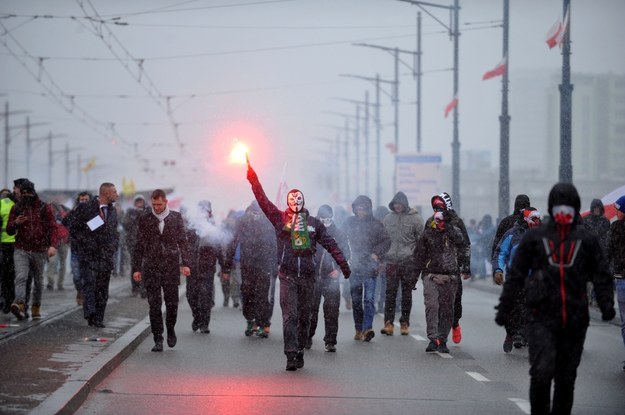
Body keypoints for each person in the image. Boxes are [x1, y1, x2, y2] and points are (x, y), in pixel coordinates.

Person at [495, 183, 615, 415]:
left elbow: (600, 273)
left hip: (574, 318)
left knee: (565, 377)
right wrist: (505, 307)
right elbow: (517, 273)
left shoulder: (586, 240)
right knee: (540, 372)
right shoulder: (536, 237)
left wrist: (606, 304)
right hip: (541, 315)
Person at [246, 160, 350, 371]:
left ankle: (300, 348)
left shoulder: (313, 224)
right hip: (288, 276)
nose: (295, 202)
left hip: (308, 278)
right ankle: (291, 354)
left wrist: (343, 265)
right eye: (292, 200)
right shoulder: (280, 219)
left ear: (303, 201)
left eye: (298, 199)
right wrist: (252, 178)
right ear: (288, 201)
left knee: (305, 317)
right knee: (289, 316)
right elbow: (263, 199)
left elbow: (330, 244)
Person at [132, 189, 192, 352]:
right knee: (154, 304)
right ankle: (158, 337)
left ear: (165, 202)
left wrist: (186, 263)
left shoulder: (175, 217)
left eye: (159, 204)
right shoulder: (145, 218)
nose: (157, 208)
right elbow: (139, 245)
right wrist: (136, 268)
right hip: (151, 266)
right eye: (154, 204)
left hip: (170, 265)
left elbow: (183, 242)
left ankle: (170, 329)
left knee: (172, 303)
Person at [64, 182, 119, 328]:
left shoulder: (113, 211)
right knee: (89, 285)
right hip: (89, 256)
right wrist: (84, 242)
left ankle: (99, 318)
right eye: (114, 192)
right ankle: (90, 312)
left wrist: (113, 247)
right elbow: (70, 224)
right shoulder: (85, 207)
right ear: (106, 193)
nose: (117, 194)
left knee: (102, 289)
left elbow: (114, 233)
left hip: (105, 257)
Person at [415, 206, 465, 353]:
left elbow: (462, 242)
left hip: (450, 276)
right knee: (432, 306)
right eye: (438, 220)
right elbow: (418, 256)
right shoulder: (427, 234)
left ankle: (442, 339)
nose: (440, 223)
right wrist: (412, 278)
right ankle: (432, 339)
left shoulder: (454, 232)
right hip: (431, 275)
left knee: (447, 309)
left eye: (443, 221)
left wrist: (449, 226)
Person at [7, 179, 58, 320]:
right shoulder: (17, 208)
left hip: (40, 249)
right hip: (21, 249)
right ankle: (20, 303)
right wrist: (16, 223)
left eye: (28, 192)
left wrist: (53, 245)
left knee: (38, 281)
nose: (26, 195)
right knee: (21, 277)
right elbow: (9, 230)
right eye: (23, 193)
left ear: (33, 192)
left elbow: (53, 227)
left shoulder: (43, 207)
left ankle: (36, 305)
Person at [342, 195, 391, 343]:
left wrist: (376, 254)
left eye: (363, 208)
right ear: (355, 208)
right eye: (358, 208)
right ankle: (358, 328)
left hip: (370, 268)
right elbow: (341, 239)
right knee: (356, 301)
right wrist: (346, 255)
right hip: (354, 267)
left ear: (368, 209)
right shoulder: (349, 223)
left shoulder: (376, 224)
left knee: (369, 299)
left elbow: (386, 241)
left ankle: (367, 328)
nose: (360, 211)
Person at [492, 207, 541, 353]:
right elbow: (500, 253)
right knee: (514, 307)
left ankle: (523, 334)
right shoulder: (512, 234)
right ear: (526, 218)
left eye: (538, 218)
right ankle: (511, 334)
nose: (537, 221)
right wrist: (498, 270)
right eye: (534, 218)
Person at [230, 200, 277, 338]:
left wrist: (276, 265)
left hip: (264, 264)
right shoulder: (242, 221)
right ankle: (250, 321)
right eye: (254, 211)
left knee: (262, 295)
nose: (257, 214)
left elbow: (275, 244)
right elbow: (233, 241)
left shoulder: (269, 222)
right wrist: (227, 265)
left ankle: (262, 324)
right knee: (247, 293)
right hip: (247, 264)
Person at [307, 204, 350, 352]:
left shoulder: (339, 234)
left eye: (328, 219)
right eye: (322, 219)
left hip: (331, 278)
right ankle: (307, 337)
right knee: (311, 309)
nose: (326, 222)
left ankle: (330, 341)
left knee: (332, 311)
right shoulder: (310, 232)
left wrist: (338, 269)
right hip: (313, 277)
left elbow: (347, 254)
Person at [380, 191, 423, 336]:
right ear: (393, 204)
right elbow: (382, 239)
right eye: (396, 204)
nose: (398, 206)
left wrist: (416, 260)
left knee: (406, 293)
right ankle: (388, 323)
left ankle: (405, 322)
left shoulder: (416, 219)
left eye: (400, 204)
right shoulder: (387, 219)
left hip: (408, 262)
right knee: (390, 293)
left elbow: (421, 241)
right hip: (391, 261)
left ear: (405, 204)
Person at [431, 192, 471, 344]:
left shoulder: (456, 221)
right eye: (435, 207)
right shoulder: (431, 222)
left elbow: (465, 244)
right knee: (438, 303)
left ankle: (455, 324)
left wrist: (466, 266)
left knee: (455, 301)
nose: (437, 210)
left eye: (440, 207)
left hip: (453, 268)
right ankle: (441, 335)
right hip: (436, 268)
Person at [185, 200, 227, 335]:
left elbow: (219, 248)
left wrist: (224, 267)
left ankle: (204, 323)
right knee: (191, 295)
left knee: (205, 296)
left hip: (207, 267)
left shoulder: (213, 227)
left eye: (206, 210)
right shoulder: (191, 227)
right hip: (192, 267)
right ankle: (196, 316)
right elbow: (183, 246)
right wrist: (183, 263)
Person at [62, 191, 92, 305]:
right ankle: (80, 290)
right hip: (76, 249)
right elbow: (65, 222)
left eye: (86, 200)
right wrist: (74, 212)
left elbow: (97, 227)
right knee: (76, 275)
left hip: (89, 250)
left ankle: (85, 293)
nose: (84, 202)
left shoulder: (94, 213)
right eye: (82, 200)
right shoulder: (74, 212)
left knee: (88, 275)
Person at [607, 195, 625, 371]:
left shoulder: (615, 228)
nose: (617, 212)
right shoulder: (615, 228)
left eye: (619, 209)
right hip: (621, 278)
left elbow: (607, 252)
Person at [584, 198, 611, 305]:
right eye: (595, 208)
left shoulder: (605, 221)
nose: (597, 210)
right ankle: (588, 296)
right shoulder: (586, 220)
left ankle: (595, 297)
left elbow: (608, 236)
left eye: (599, 208)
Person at [122, 194, 149, 298]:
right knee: (135, 267)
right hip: (133, 244)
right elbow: (125, 224)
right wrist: (133, 217)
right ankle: (135, 287)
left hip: (146, 244)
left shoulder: (148, 211)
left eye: (140, 202)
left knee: (144, 266)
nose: (139, 204)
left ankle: (144, 288)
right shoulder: (130, 212)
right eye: (137, 202)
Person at [46, 203, 70, 291]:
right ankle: (51, 282)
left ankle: (60, 283)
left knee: (62, 264)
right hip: (53, 243)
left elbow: (69, 227)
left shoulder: (63, 216)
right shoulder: (47, 218)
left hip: (63, 242)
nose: (51, 210)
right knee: (52, 262)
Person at [221, 209, 242, 308]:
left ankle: (239, 299)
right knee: (233, 281)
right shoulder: (226, 228)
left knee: (240, 282)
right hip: (233, 259)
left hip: (244, 260)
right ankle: (232, 298)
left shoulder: (247, 230)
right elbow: (226, 246)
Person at [0, 187, 16, 314]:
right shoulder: (17, 204)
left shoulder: (4, 204)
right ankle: (9, 300)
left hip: (7, 245)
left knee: (7, 276)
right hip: (12, 245)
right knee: (10, 276)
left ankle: (7, 301)